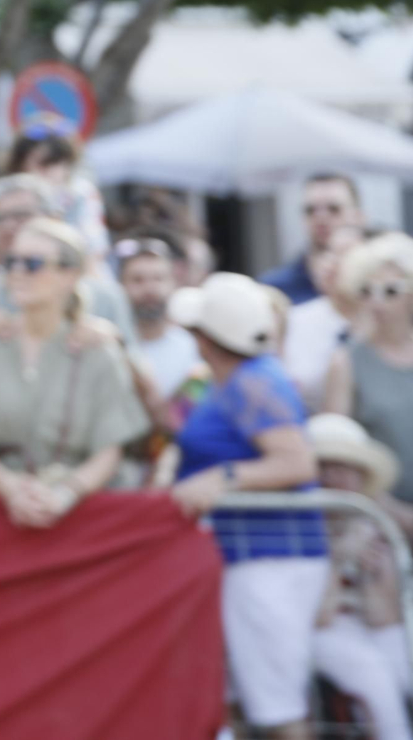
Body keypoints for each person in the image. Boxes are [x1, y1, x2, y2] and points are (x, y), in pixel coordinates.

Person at [168, 272, 326, 740]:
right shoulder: (232, 381)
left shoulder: (255, 382)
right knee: (249, 704)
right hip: (247, 558)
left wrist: (226, 477)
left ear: (206, 337)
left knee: (280, 713)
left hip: (268, 560)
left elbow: (297, 462)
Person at [0, 219, 148, 527]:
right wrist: (11, 489)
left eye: (32, 263)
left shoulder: (98, 349)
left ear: (68, 276)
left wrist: (63, 495)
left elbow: (110, 447)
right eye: (11, 261)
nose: (17, 272)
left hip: (82, 519)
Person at [309, 413, 413, 740]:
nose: (333, 476)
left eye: (344, 467)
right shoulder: (295, 529)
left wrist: (369, 574)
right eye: (324, 465)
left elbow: (385, 618)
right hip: (320, 630)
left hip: (368, 627)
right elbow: (318, 617)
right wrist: (338, 558)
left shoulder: (372, 523)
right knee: (372, 675)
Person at [321, 232, 413, 541]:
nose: (376, 301)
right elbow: (336, 453)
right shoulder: (346, 362)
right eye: (366, 290)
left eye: (390, 290)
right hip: (376, 524)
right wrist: (390, 510)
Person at [0, 175, 137, 364]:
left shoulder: (105, 299)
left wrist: (114, 344)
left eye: (21, 215)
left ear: (54, 218)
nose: (9, 226)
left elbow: (146, 393)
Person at [282, 223, 365, 409]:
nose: (331, 263)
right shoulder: (294, 320)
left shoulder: (381, 321)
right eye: (329, 252)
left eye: (346, 255)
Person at [6, 123, 109, 258]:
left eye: (55, 162)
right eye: (42, 163)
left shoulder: (80, 193)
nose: (50, 171)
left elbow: (94, 246)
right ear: (21, 165)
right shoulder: (6, 197)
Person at [261, 173, 365, 305]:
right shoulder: (275, 288)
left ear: (358, 217)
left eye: (334, 209)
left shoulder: (378, 284)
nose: (321, 218)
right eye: (310, 210)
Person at [119, 236, 201, 402]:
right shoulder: (112, 347)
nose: (149, 289)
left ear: (173, 284)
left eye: (158, 278)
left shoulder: (194, 349)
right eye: (137, 280)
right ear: (121, 286)